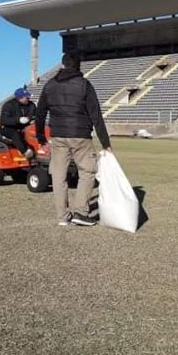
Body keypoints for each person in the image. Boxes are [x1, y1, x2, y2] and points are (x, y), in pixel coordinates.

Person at [36, 52, 112, 227]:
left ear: (62, 64)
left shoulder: (49, 85)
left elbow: (40, 113)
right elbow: (96, 115)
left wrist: (41, 139)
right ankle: (81, 211)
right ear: (79, 66)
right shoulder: (85, 85)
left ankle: (62, 216)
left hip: (58, 136)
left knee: (58, 175)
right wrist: (105, 143)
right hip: (80, 135)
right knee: (87, 171)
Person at [0, 87, 37, 159]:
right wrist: (18, 120)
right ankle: (25, 152)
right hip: (8, 127)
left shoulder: (32, 105)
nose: (29, 99)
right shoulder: (9, 105)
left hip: (25, 126)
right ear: (19, 98)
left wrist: (33, 120)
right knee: (15, 134)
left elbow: (35, 116)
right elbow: (4, 120)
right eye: (27, 97)